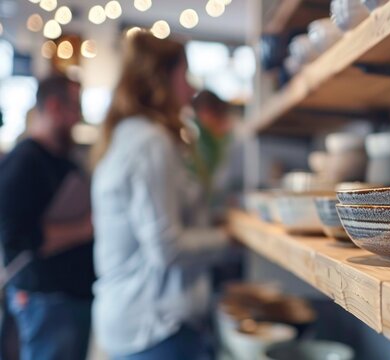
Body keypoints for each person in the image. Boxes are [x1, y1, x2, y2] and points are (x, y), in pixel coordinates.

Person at [91, 32, 229, 359]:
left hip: (134, 320)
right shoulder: (150, 142)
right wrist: (226, 238)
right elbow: (166, 246)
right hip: (154, 326)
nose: (191, 88)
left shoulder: (129, 136)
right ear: (161, 80)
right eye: (184, 76)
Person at [0, 75, 95, 360]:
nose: (78, 117)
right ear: (53, 106)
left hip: (68, 294)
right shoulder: (25, 161)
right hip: (45, 296)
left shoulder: (61, 157)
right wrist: (84, 228)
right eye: (74, 108)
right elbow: (15, 236)